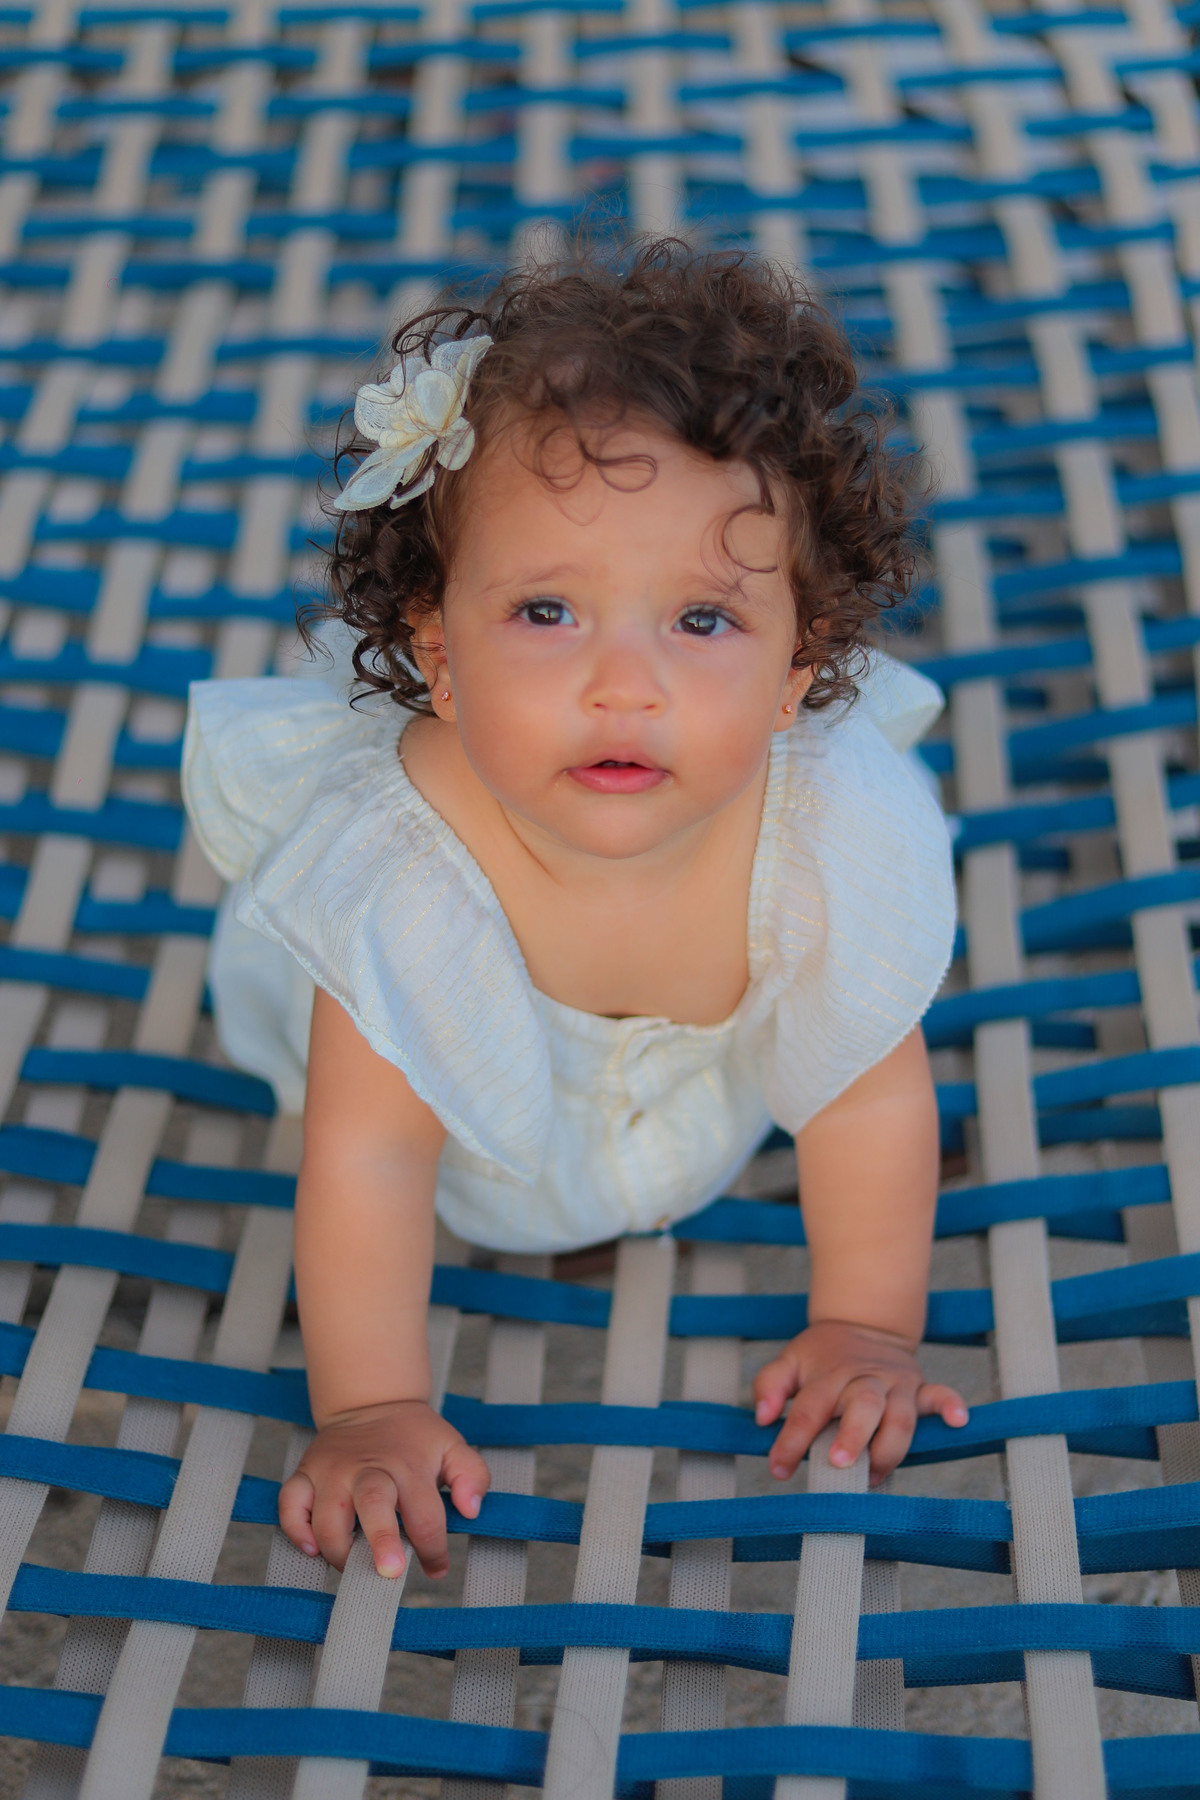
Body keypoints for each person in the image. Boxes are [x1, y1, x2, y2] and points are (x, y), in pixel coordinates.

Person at [183, 237, 968, 1584]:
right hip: (467, 1149)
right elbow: (368, 1159)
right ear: (437, 648)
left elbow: (867, 1099)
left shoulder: (829, 834)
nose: (625, 688)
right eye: (547, 609)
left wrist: (866, 1327)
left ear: (800, 669)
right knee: (351, 1097)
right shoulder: (399, 873)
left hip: (701, 1120)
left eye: (703, 623)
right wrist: (370, 1410)